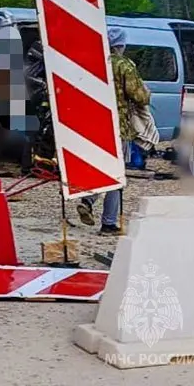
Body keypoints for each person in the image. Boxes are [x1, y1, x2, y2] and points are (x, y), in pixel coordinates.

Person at [78, 25, 151, 234]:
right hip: (118, 127)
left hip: (94, 126)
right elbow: (139, 96)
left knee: (103, 168)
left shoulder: (94, 63)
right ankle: (109, 222)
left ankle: (89, 199)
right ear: (121, 45)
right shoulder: (124, 65)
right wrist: (146, 94)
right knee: (117, 175)